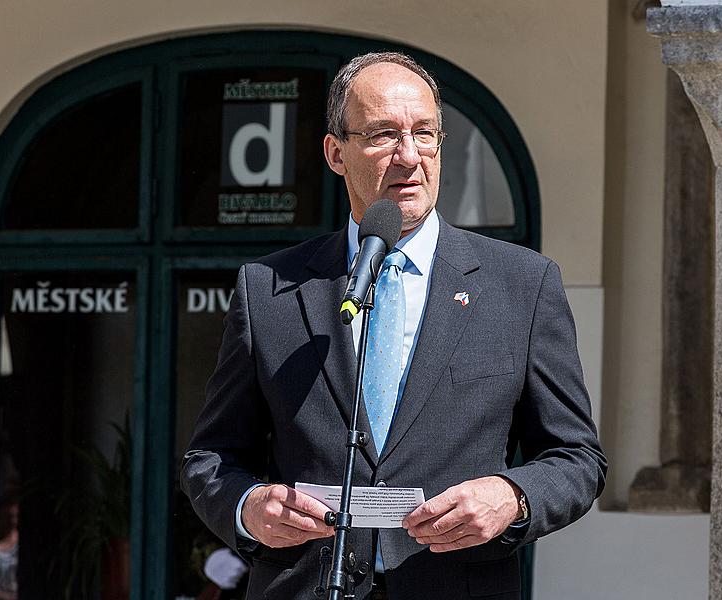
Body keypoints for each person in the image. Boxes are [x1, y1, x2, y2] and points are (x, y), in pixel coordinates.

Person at [182, 51, 607, 600]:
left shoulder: (522, 284)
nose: (409, 156)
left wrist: (513, 497)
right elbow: (211, 459)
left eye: (424, 133)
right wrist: (247, 508)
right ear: (336, 153)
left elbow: (577, 459)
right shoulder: (270, 288)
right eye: (383, 135)